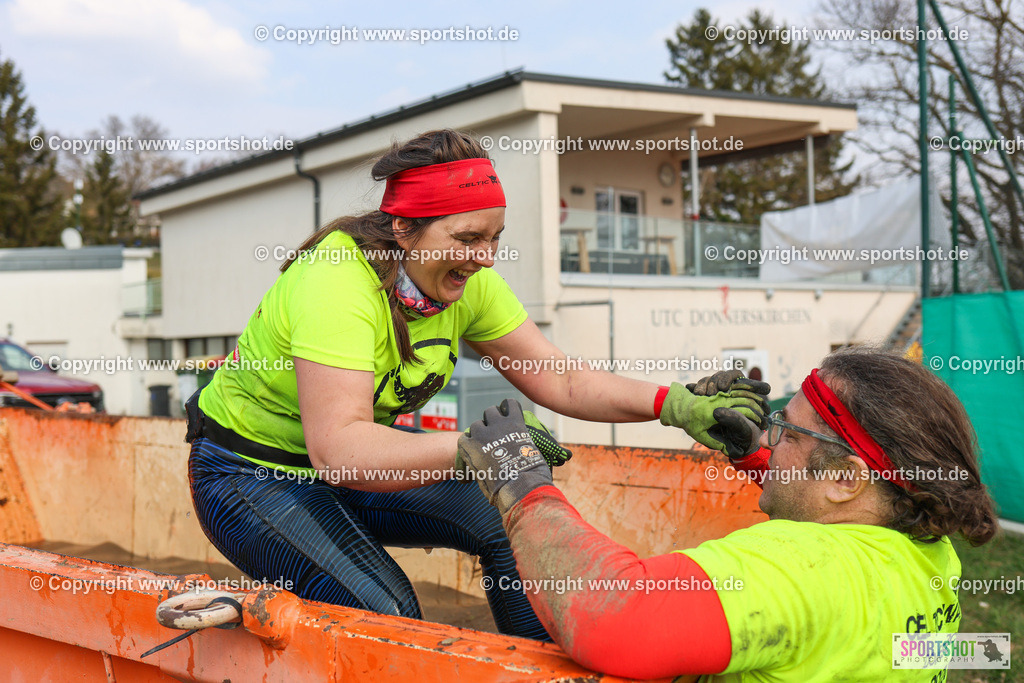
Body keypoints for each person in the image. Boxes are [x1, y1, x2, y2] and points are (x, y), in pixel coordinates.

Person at [185, 128, 768, 641]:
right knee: (387, 612)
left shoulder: (466, 281)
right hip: (251, 474)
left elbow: (561, 378)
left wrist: (673, 403)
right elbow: (339, 450)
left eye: (494, 238)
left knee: (515, 525)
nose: (485, 258)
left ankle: (543, 670)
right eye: (468, 239)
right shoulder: (336, 283)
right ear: (404, 229)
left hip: (348, 466)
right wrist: (472, 447)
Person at [458, 347, 998, 677]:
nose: (770, 437)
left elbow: (615, 616)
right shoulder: (928, 551)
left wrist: (523, 485)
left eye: (788, 433)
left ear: (845, 479)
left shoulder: (802, 565)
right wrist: (754, 455)